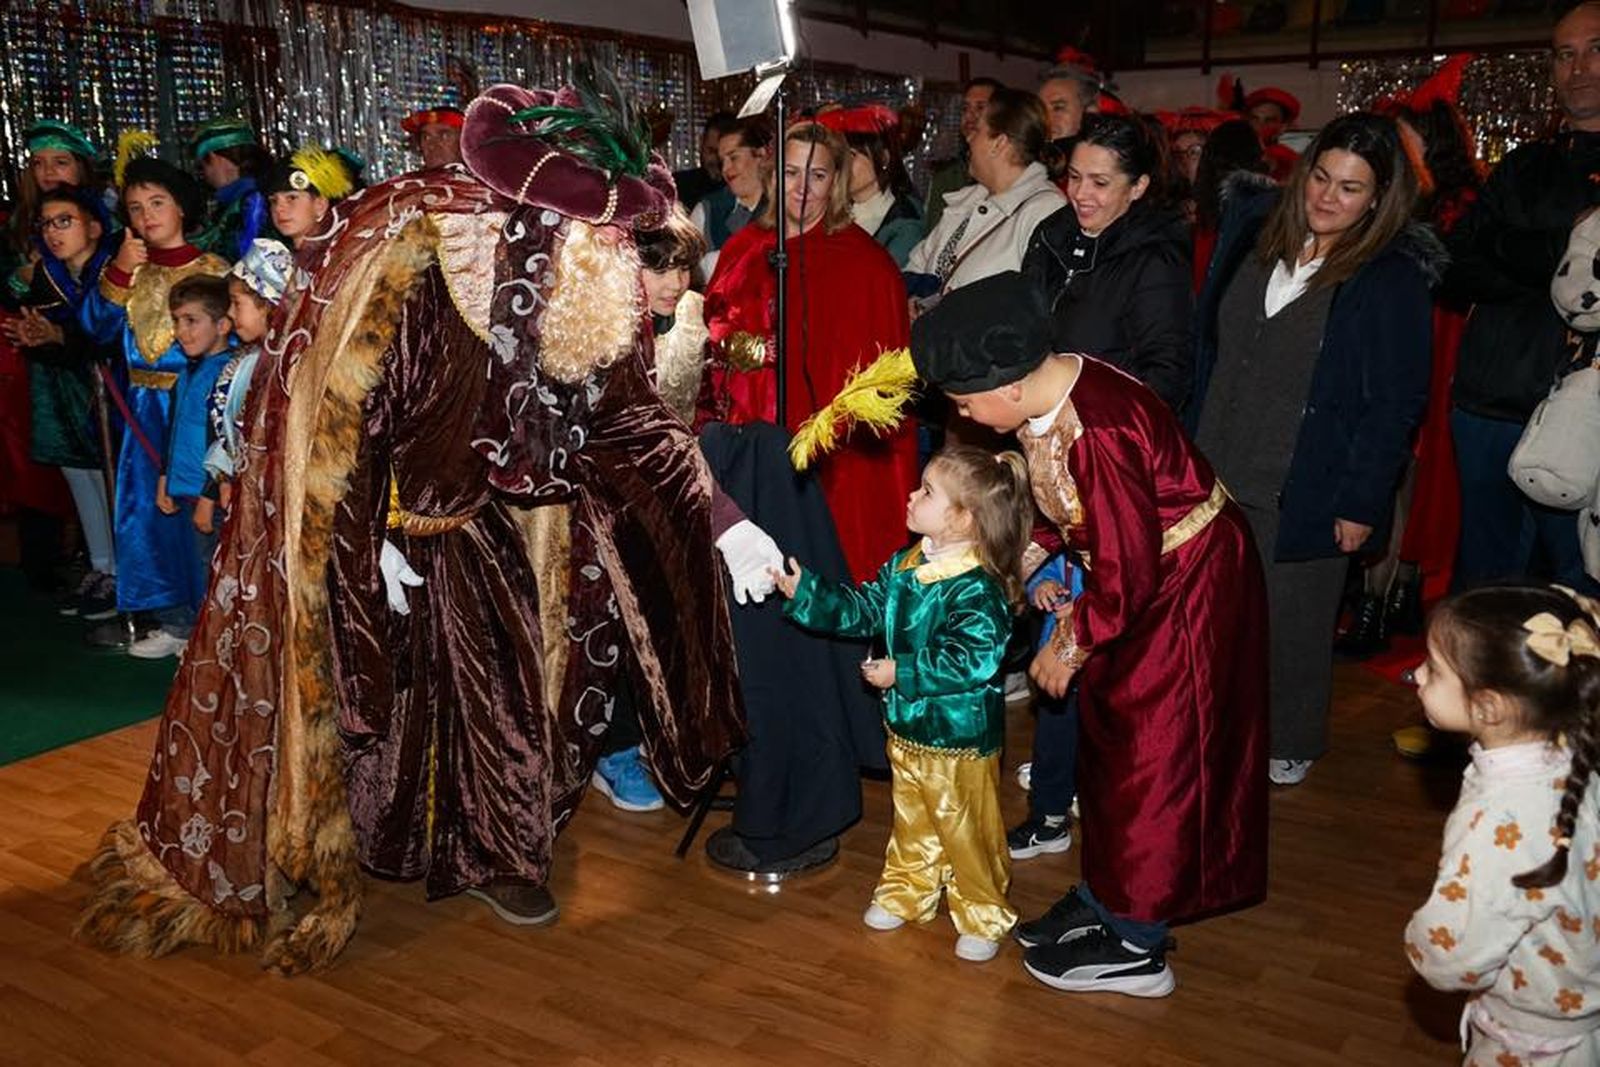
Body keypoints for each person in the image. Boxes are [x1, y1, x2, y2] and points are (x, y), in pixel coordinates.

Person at [77, 74, 766, 971]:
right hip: (385, 524)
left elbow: (631, 421)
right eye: (599, 237)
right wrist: (370, 545)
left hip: (487, 526)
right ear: (545, 228)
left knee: (511, 692)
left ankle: (500, 855)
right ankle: (371, 841)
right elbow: (345, 423)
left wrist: (727, 522)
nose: (615, 261)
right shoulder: (424, 271)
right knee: (384, 705)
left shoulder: (582, 299)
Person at [913, 272, 1270, 998]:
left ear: (1008, 389)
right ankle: (1113, 896)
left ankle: (1139, 943)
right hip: (1145, 578)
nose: (962, 414)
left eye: (963, 400)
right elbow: (1072, 505)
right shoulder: (1053, 398)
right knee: (1115, 744)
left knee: (1156, 754)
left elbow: (1126, 564)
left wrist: (1067, 644)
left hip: (1185, 586)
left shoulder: (1096, 430)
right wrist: (1034, 549)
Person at [1193, 113, 1437, 787]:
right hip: (1216, 461)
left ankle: (1291, 735)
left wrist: (1362, 501)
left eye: (1351, 188)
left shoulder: (1390, 279)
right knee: (1212, 613)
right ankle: (1214, 721)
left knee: (1292, 623)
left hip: (1306, 478)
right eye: (1322, 177)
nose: (1328, 197)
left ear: (1379, 198)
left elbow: (1395, 404)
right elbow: (1210, 348)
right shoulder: (1256, 240)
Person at [773, 445, 1032, 962]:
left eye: (927, 492)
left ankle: (982, 908)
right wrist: (810, 594)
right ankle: (909, 889)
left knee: (964, 826)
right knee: (912, 816)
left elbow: (970, 661)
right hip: (908, 726)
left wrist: (901, 671)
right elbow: (867, 606)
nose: (912, 496)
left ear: (963, 519)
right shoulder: (909, 562)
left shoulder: (978, 589)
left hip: (958, 737)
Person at [701, 119, 917, 584]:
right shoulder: (743, 247)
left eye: (817, 175)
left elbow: (882, 390)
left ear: (836, 180)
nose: (802, 188)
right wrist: (746, 350)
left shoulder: (867, 267)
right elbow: (713, 336)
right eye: (792, 173)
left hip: (828, 463)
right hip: (746, 445)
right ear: (774, 175)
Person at [1404, 584, 1600, 1066]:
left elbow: (1451, 955)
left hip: (1531, 1043)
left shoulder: (1501, 821)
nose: (1416, 675)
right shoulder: (1570, 754)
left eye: (1435, 669)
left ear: (1489, 707)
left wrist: (1420, 940)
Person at [1446, 2, 1600, 598]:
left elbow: (1487, 252)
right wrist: (1564, 252)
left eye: (1595, 48)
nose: (1579, 66)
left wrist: (1508, 247)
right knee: (1485, 591)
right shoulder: (1525, 164)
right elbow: (1455, 268)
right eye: (1565, 53)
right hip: (1489, 404)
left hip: (1582, 415)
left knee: (1577, 591)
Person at [81, 153, 229, 651]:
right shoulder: (127, 272)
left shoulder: (213, 268)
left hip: (192, 407)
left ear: (182, 207)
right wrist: (119, 274)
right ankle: (169, 617)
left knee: (196, 513)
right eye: (136, 206)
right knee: (146, 512)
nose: (147, 215)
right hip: (141, 408)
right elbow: (94, 329)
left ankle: (208, 617)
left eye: (158, 202)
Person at [1, 184, 120, 620]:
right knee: (79, 477)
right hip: (65, 396)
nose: (53, 232)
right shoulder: (46, 275)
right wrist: (37, 337)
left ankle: (126, 574)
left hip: (113, 396)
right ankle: (101, 568)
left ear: (92, 226)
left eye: (64, 221)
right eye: (47, 224)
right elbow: (40, 330)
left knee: (112, 480)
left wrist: (59, 337)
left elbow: (105, 337)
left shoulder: (113, 269)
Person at [1023, 112, 1194, 412]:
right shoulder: (1051, 235)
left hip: (1104, 434)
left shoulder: (1154, 259)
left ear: (1138, 187)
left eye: (1099, 183)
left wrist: (1109, 435)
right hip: (1038, 421)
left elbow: (1166, 374)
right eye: (1074, 177)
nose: (1080, 194)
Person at [141, 274, 234, 658]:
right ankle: (183, 628)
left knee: (209, 569)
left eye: (191, 320)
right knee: (183, 562)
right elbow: (173, 429)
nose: (181, 331)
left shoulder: (228, 372)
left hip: (205, 495)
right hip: (180, 487)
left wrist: (210, 496)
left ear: (223, 324)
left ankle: (212, 642)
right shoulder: (186, 373)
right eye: (177, 321)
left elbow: (226, 443)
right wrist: (164, 478)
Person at [905, 88, 1066, 308]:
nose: (968, 138)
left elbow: (1036, 304)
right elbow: (916, 266)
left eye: (977, 130)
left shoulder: (1046, 209)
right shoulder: (966, 202)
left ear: (999, 143)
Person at [201, 239, 293, 532]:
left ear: (267, 304)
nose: (229, 313)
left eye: (237, 303)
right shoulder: (244, 361)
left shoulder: (287, 366)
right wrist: (224, 479)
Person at [816, 103, 926, 267]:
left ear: (883, 158)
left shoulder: (905, 224)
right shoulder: (829, 210)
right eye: (838, 156)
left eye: (852, 155)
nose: (841, 164)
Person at [690, 116, 771, 280]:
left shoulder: (786, 208)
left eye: (733, 158)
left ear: (761, 155)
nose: (725, 169)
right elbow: (690, 275)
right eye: (722, 161)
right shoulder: (707, 210)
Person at [189, 115, 272, 262]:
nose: (206, 176)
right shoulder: (261, 192)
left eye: (204, 167)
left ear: (215, 158)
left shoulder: (252, 202)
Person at [923, 77, 1001, 232]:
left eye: (980, 108)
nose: (970, 116)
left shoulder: (1013, 171)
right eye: (965, 109)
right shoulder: (947, 177)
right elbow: (932, 238)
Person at [262, 146, 362, 248]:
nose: (278, 208)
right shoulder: (269, 258)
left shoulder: (342, 257)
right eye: (274, 201)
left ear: (320, 205)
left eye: (291, 198)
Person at [673, 110, 736, 213]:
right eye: (711, 151)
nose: (716, 160)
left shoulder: (743, 191)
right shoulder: (677, 187)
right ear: (701, 143)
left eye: (724, 155)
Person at [1245, 85, 1301, 182]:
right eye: (1255, 119)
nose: (1259, 126)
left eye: (1269, 120)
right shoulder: (1234, 154)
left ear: (1283, 127)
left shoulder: (1288, 159)